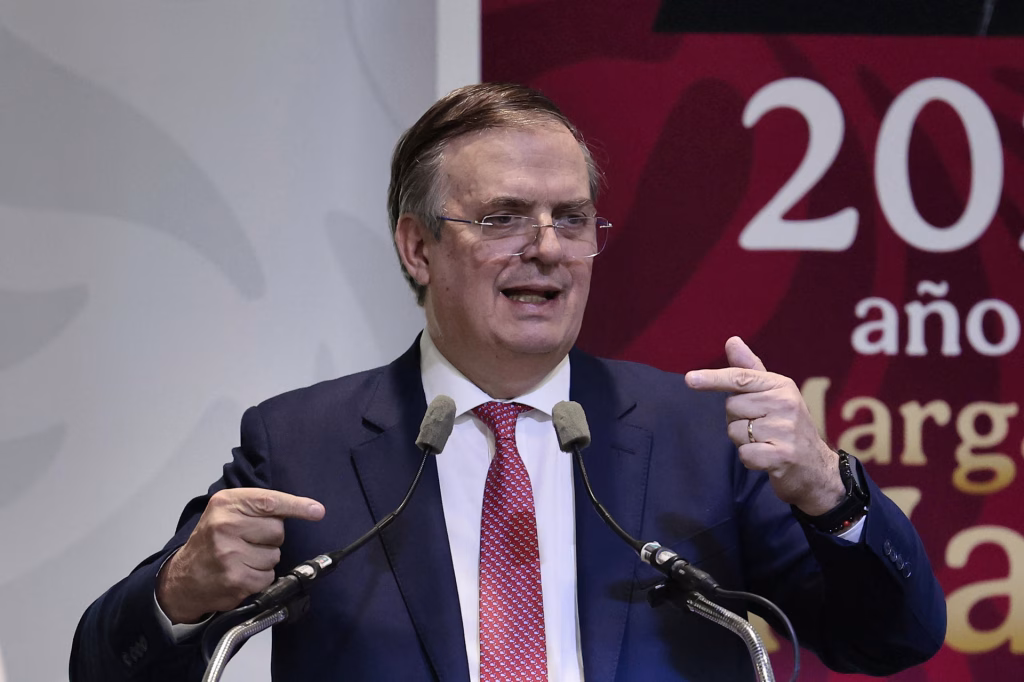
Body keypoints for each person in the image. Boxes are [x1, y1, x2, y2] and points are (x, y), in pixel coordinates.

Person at [70, 83, 945, 681]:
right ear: (418, 246)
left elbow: (893, 641)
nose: (548, 248)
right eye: (503, 218)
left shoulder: (695, 434)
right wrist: (182, 592)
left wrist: (831, 493)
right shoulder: (303, 444)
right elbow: (105, 667)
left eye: (572, 218)